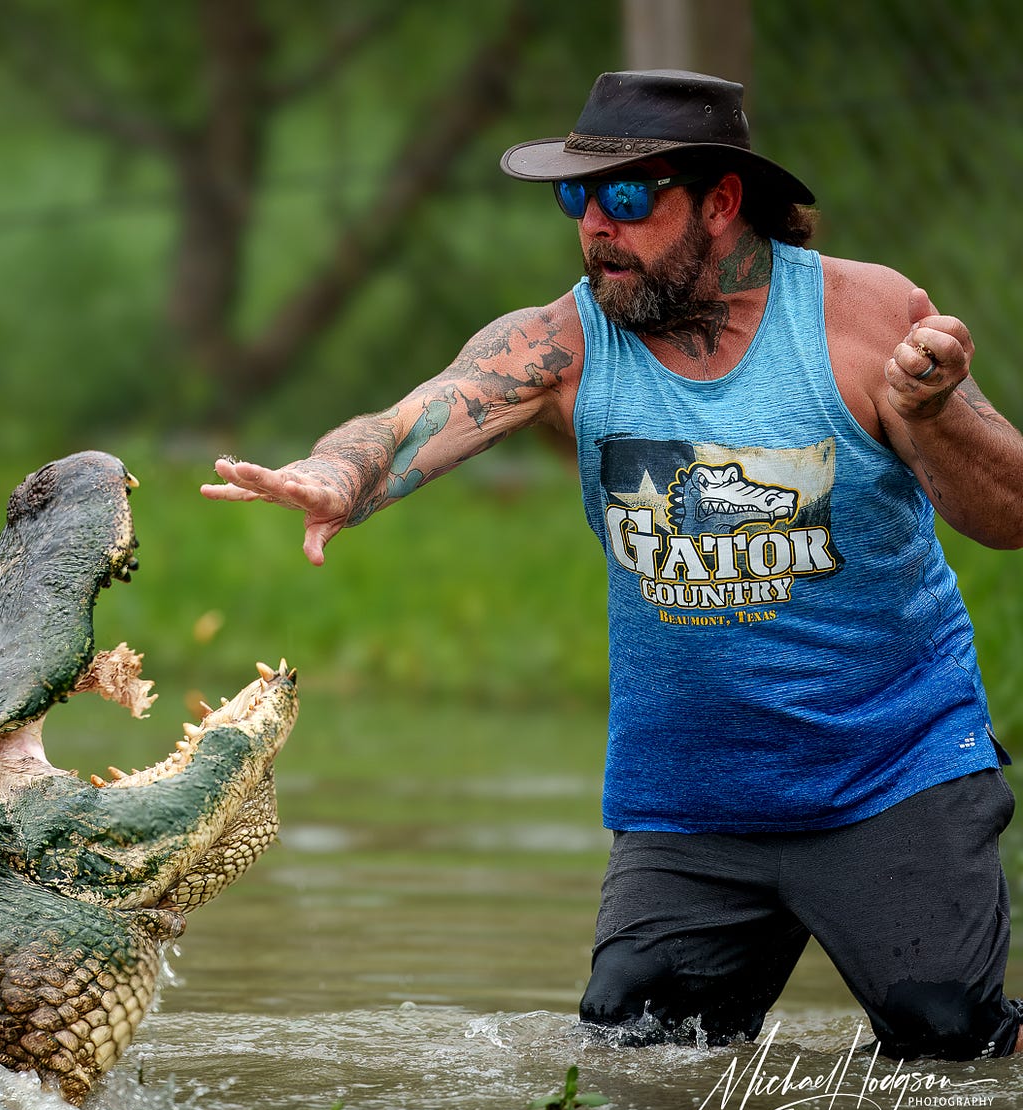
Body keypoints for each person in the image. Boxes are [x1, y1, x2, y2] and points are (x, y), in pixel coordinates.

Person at [201, 69, 1023, 1060]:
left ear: (719, 203)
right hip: (689, 802)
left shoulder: (863, 319)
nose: (595, 225)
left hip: (888, 772)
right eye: (575, 197)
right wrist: (338, 475)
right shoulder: (563, 341)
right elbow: (416, 412)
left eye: (626, 198)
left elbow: (1007, 513)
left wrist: (932, 413)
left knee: (953, 1049)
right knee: (635, 1063)